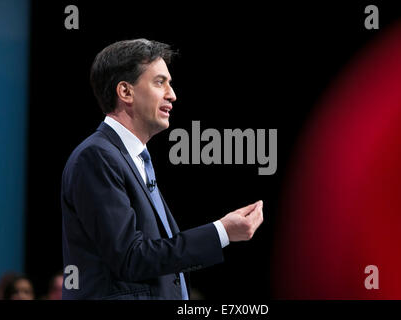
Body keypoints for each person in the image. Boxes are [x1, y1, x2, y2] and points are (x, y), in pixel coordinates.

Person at [61, 39, 264, 300]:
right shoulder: (96, 157)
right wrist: (221, 232)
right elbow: (131, 258)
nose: (172, 94)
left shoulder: (133, 157)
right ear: (125, 92)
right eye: (160, 82)